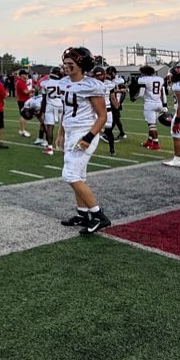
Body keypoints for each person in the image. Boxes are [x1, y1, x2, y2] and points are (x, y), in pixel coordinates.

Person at [57, 47, 112, 235]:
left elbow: (102, 116)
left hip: (84, 132)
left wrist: (88, 137)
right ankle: (82, 214)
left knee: (70, 175)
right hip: (71, 132)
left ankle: (99, 216)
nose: (66, 66)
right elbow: (65, 112)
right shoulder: (64, 82)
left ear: (81, 65)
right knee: (78, 176)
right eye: (65, 63)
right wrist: (60, 133)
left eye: (70, 63)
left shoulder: (91, 85)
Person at [130, 65, 165, 150]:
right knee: (153, 125)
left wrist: (134, 98)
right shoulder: (160, 79)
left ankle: (156, 144)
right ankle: (149, 141)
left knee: (152, 125)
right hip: (159, 103)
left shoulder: (143, 80)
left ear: (144, 72)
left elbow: (141, 93)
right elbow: (163, 92)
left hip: (150, 104)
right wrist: (165, 105)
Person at [161, 62, 180, 167]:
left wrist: (177, 121)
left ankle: (177, 160)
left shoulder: (178, 86)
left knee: (177, 135)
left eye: (170, 75)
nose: (168, 78)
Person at [92, 66, 117, 156]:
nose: (99, 77)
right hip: (96, 110)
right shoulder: (92, 84)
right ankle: (88, 147)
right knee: (92, 130)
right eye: (97, 76)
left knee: (109, 131)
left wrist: (116, 106)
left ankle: (112, 149)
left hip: (106, 110)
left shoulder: (109, 84)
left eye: (100, 75)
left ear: (104, 75)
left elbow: (113, 97)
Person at [39, 66, 64, 156]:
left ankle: (50, 148)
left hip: (50, 106)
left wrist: (42, 112)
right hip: (62, 105)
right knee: (65, 126)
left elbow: (44, 100)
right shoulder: (64, 83)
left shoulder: (45, 83)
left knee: (50, 127)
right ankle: (66, 147)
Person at [15, 70, 33, 138]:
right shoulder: (20, 82)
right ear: (22, 75)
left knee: (23, 115)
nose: (26, 75)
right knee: (23, 116)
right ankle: (23, 130)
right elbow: (25, 92)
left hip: (23, 100)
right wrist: (32, 90)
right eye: (25, 74)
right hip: (23, 101)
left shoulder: (22, 82)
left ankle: (22, 130)